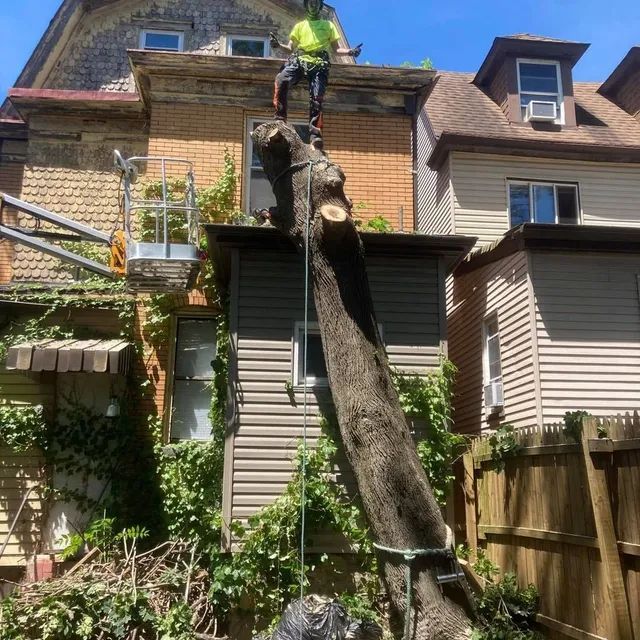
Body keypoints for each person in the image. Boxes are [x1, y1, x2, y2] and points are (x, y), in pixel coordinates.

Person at [270, 0, 362, 150]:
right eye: (310, 3)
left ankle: (315, 135)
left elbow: (336, 49)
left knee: (317, 98)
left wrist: (350, 51)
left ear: (319, 6)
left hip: (319, 63)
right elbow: (290, 48)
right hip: (300, 60)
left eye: (315, 3)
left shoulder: (328, 25)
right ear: (306, 5)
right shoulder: (300, 26)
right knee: (281, 79)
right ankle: (280, 118)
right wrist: (278, 45)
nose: (313, 6)